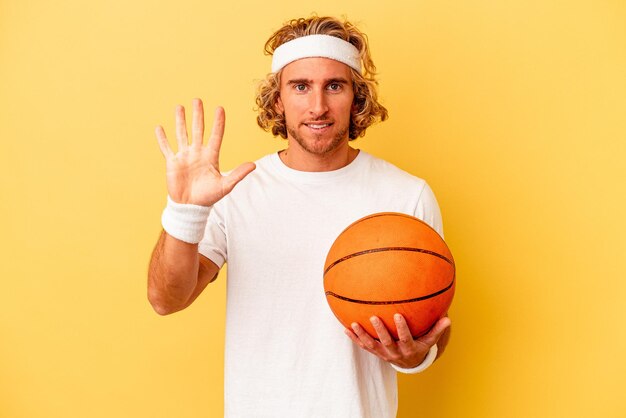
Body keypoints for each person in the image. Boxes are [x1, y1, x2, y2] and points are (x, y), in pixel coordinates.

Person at [148, 15, 452, 418]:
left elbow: (433, 329)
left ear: (356, 98)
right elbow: (166, 299)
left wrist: (414, 355)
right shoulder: (236, 193)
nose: (318, 106)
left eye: (335, 86)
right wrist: (185, 211)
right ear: (278, 100)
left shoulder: (407, 195)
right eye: (301, 86)